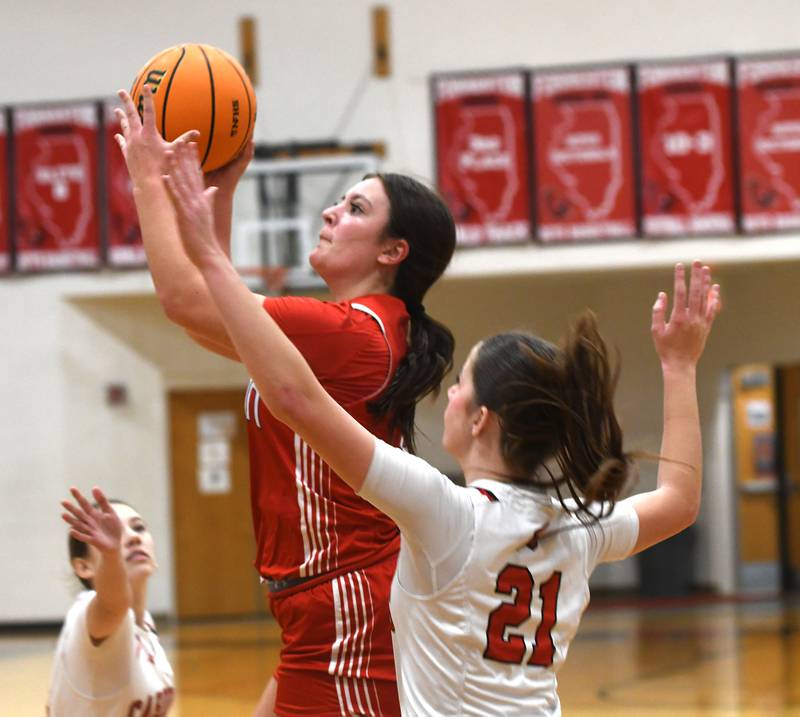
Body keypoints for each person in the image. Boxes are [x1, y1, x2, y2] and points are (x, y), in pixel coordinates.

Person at [163, 140, 721, 716]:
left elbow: (295, 399)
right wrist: (680, 368)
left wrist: (206, 250)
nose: (448, 392)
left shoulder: (444, 511)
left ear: (481, 419)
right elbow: (680, 501)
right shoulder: (575, 526)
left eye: (462, 384)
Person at [115, 85, 456, 716]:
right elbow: (208, 320)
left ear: (392, 251)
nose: (330, 212)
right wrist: (221, 186)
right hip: (324, 603)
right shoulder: (360, 328)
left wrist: (145, 180)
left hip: (347, 608)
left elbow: (186, 300)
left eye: (355, 208)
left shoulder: (351, 333)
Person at [48, 487, 174, 716]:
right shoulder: (87, 614)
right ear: (83, 566)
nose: (134, 537)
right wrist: (111, 554)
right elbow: (113, 605)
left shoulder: (145, 622)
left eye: (138, 528)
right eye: (112, 532)